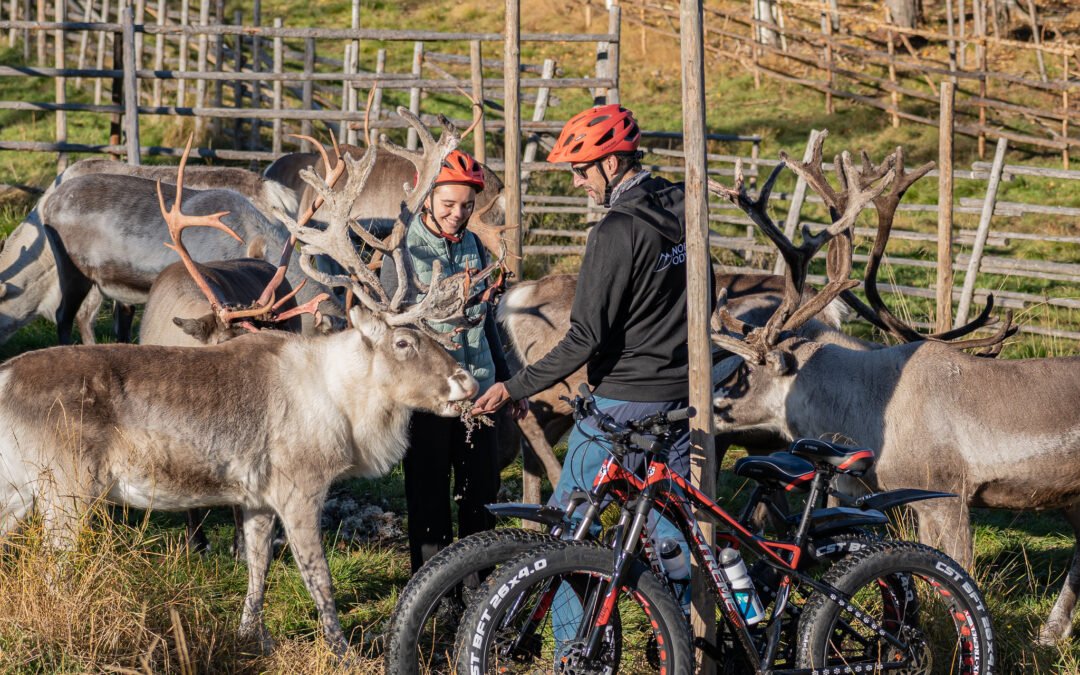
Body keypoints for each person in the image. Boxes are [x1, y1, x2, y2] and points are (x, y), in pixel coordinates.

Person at [472, 104, 705, 581]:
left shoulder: (615, 231)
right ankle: (680, 647)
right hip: (682, 396)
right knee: (671, 536)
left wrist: (514, 387)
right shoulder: (682, 203)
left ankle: (570, 650)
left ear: (612, 164)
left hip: (623, 400)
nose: (577, 183)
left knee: (561, 536)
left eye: (581, 172)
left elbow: (584, 338)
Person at [381, 149, 526, 574]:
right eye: (448, 204)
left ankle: (479, 592)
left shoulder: (476, 249)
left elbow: (488, 325)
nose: (458, 214)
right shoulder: (403, 254)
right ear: (427, 198)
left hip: (478, 397)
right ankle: (434, 595)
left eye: (466, 205)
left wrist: (509, 380)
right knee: (428, 501)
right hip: (428, 401)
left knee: (480, 497)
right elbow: (395, 338)